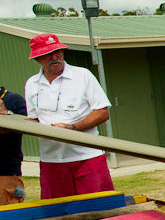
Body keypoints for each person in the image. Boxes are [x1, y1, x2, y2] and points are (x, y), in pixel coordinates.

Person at [23, 34, 115, 199]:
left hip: (87, 158)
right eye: (48, 54)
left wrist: (72, 128)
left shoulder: (82, 76)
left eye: (58, 51)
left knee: (98, 209)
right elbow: (33, 120)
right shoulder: (31, 84)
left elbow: (102, 112)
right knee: (57, 214)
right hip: (51, 161)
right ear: (37, 58)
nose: (54, 57)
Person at [0, 86, 28, 206]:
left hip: (6, 172)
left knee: (10, 219)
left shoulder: (14, 100)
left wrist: (5, 114)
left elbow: (26, 126)